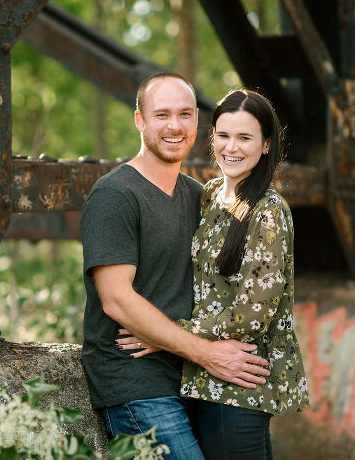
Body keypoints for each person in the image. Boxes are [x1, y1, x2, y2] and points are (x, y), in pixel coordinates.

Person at [80, 74, 271, 459]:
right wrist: (204, 351)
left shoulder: (198, 196)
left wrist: (189, 344)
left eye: (185, 114)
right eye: (162, 114)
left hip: (191, 376)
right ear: (140, 120)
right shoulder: (115, 195)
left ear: (198, 122)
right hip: (136, 383)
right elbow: (116, 300)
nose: (174, 126)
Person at [118, 89, 310, 459]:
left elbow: (254, 313)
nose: (231, 148)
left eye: (245, 137)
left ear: (266, 145)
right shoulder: (209, 196)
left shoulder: (268, 211)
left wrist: (170, 335)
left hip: (239, 382)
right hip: (200, 377)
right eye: (223, 135)